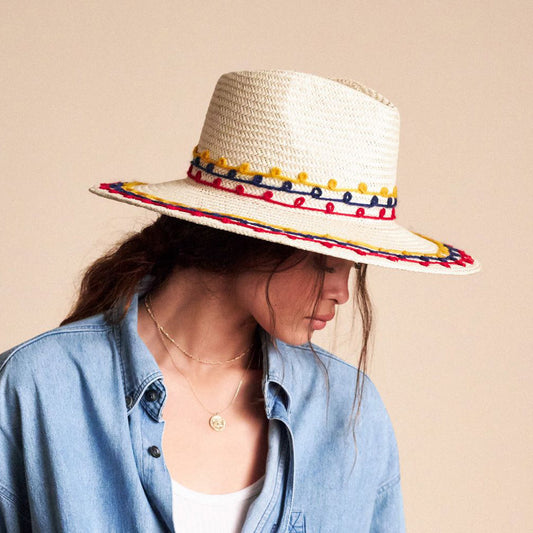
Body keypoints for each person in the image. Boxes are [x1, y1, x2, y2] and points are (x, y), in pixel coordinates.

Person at [0, 69, 480, 533]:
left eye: (353, 268)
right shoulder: (38, 388)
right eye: (327, 263)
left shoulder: (349, 414)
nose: (343, 293)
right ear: (251, 241)